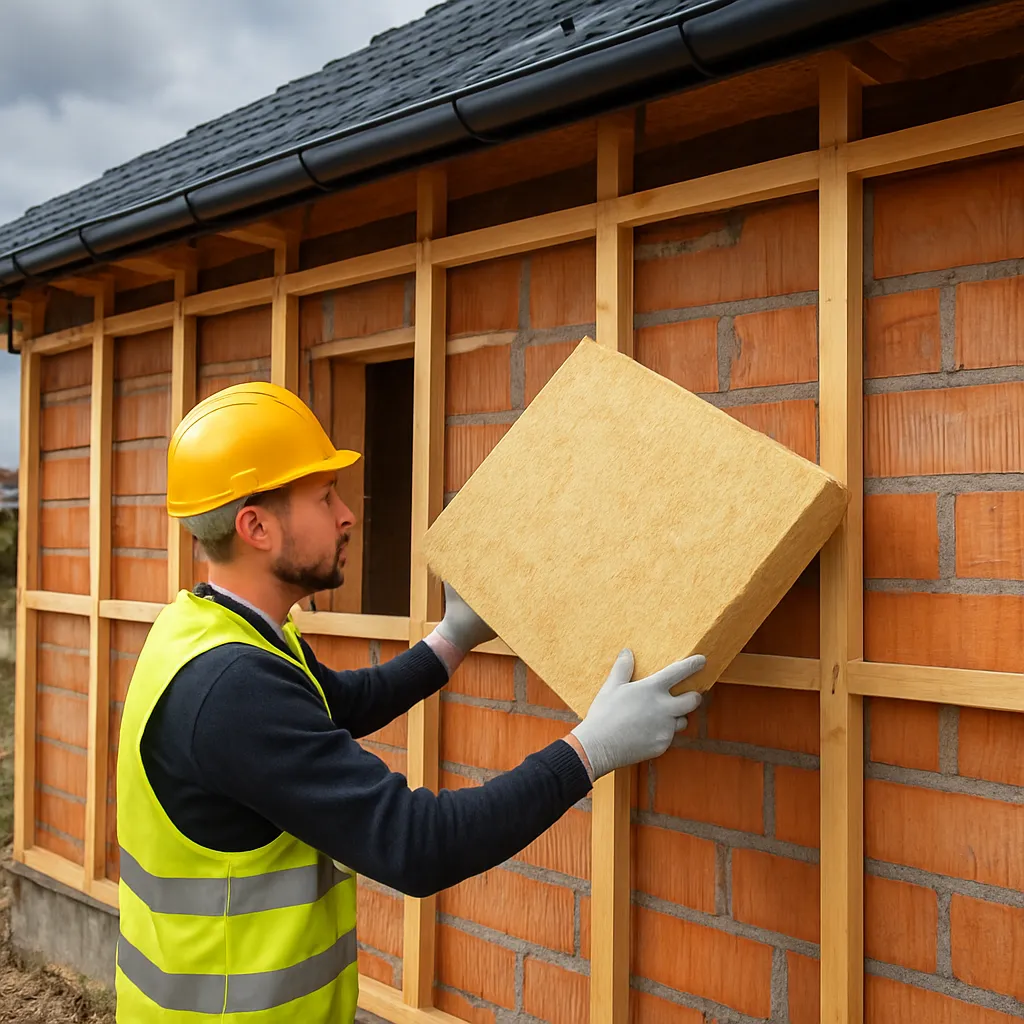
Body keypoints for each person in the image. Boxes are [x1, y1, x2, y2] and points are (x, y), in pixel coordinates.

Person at [114, 381, 705, 1022]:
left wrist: (450, 639)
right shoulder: (233, 691)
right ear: (255, 526)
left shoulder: (212, 629)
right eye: (323, 497)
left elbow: (336, 705)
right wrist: (591, 749)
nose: (347, 514)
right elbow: (418, 845)